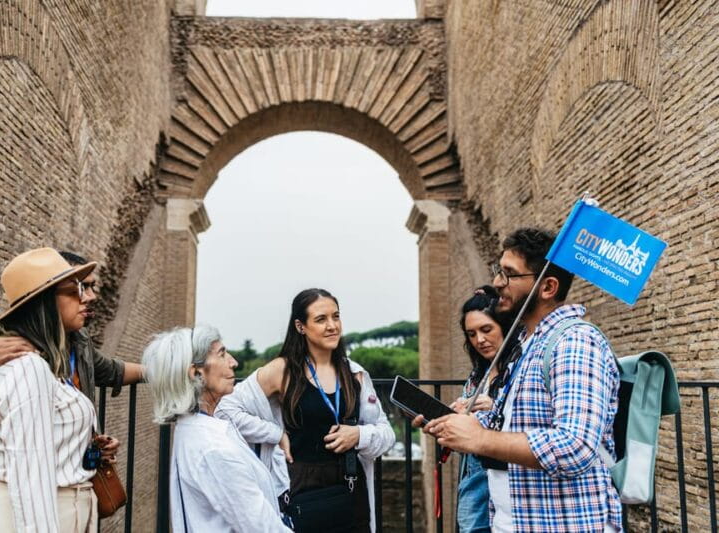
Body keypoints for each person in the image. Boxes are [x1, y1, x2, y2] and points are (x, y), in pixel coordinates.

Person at [416, 228, 622, 533]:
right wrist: (460, 424)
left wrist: (481, 438)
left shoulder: (575, 341)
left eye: (509, 274)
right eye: (500, 271)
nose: (498, 282)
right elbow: (521, 426)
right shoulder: (528, 344)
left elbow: (575, 446)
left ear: (547, 287)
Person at [0, 250, 145, 532]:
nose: (89, 297)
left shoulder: (77, 344)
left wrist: (83, 442)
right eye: (77, 288)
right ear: (44, 301)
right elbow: (23, 474)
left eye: (89, 286)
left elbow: (113, 371)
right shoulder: (19, 359)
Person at [216, 288, 395, 533]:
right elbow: (225, 409)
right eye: (321, 319)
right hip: (302, 491)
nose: (332, 326)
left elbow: (387, 434)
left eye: (336, 316)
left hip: (352, 491)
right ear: (301, 327)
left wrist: (359, 435)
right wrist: (274, 434)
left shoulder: (356, 374)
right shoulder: (283, 371)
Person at [142, 325, 291, 533]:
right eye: (222, 354)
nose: (234, 362)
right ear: (196, 374)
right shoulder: (214, 449)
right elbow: (263, 528)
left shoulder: (194, 429)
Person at [453, 286, 519, 533]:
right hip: (474, 477)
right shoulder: (477, 374)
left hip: (506, 476)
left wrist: (495, 407)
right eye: (471, 334)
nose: (479, 340)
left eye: (486, 329)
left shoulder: (519, 367)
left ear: (504, 325)